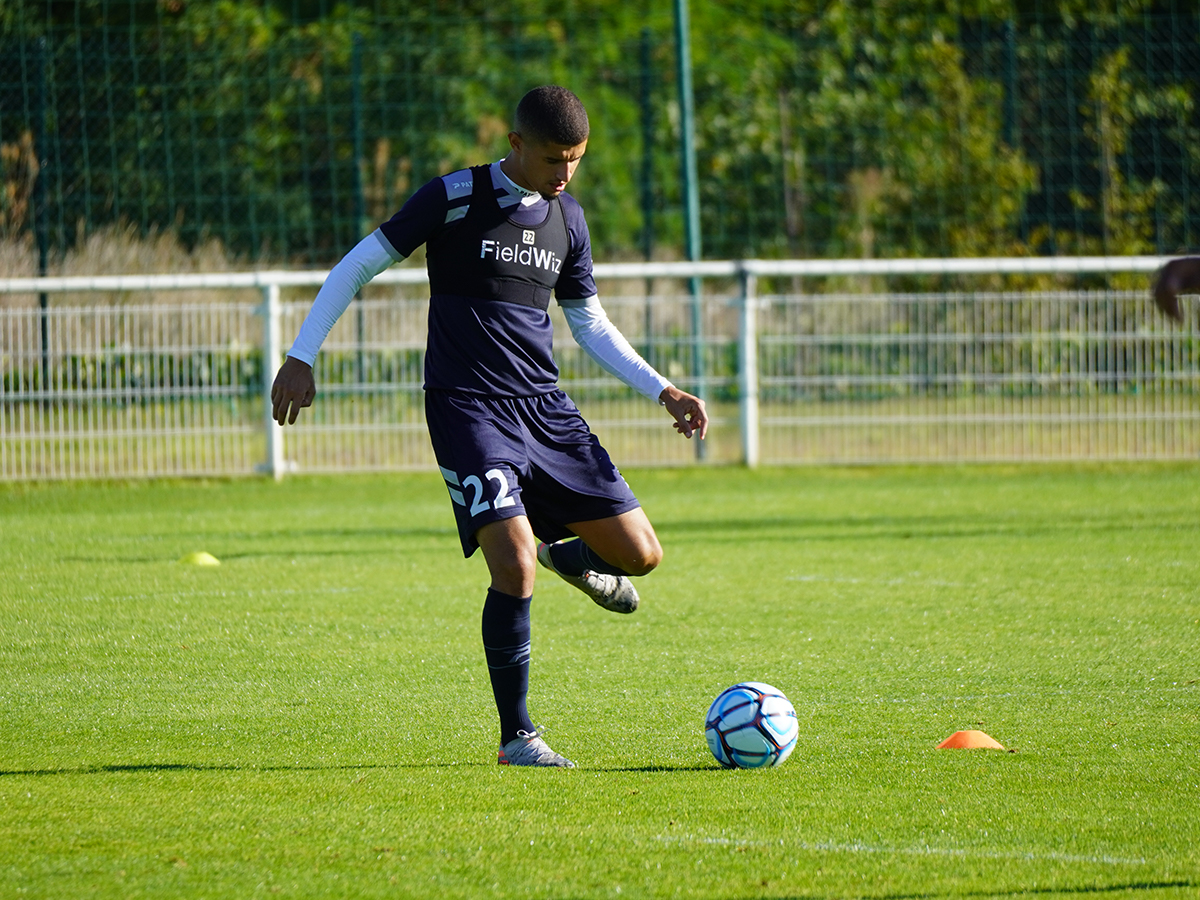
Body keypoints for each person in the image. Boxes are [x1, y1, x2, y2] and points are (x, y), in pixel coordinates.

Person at [270, 85, 707, 768]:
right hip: (467, 408)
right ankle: (518, 737)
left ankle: (570, 557)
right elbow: (357, 266)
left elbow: (589, 324)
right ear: (516, 145)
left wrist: (663, 389)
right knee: (513, 561)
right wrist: (302, 355)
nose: (565, 173)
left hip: (545, 410)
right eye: (554, 158)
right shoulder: (454, 197)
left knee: (641, 556)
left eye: (577, 159)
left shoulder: (569, 220)